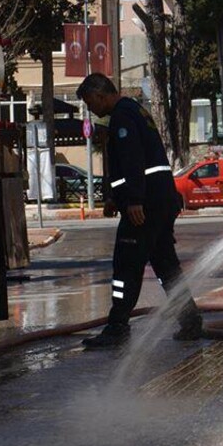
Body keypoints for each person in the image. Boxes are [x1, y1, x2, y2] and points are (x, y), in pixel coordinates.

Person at [75, 73, 204, 349]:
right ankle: (190, 319)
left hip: (145, 205)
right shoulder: (135, 111)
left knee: (126, 264)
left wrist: (132, 201)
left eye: (90, 103)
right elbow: (132, 164)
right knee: (166, 264)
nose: (91, 110)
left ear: (101, 94)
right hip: (159, 200)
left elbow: (133, 161)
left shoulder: (122, 117)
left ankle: (117, 327)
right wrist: (115, 198)